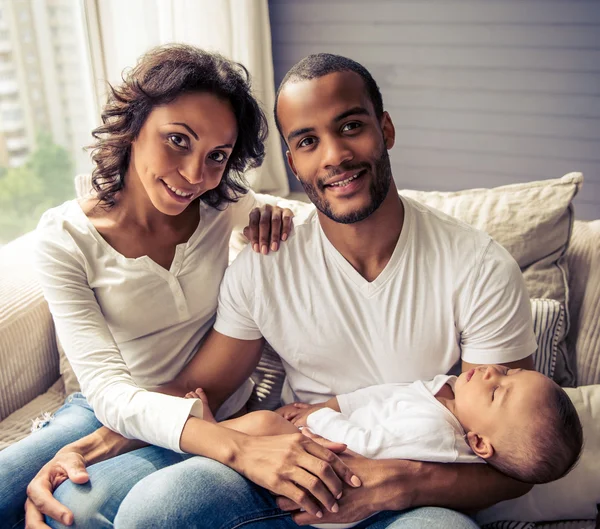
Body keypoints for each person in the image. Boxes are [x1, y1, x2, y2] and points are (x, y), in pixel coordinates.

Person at [25, 53, 546, 529]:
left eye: (352, 127)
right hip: (286, 464)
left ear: (385, 129)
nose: (335, 155)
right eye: (307, 141)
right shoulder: (266, 258)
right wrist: (90, 446)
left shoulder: (478, 266)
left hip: (410, 495)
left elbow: (519, 459)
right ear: (292, 163)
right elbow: (201, 390)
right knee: (156, 509)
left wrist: (401, 483)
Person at [0, 43, 300, 529]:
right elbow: (109, 394)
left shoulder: (224, 207)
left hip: (208, 405)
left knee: (79, 511)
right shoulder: (65, 238)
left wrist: (276, 216)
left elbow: (288, 219)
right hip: (107, 407)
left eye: (217, 155)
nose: (194, 175)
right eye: (178, 140)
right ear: (134, 125)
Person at [183, 363, 582, 528]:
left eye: (497, 393)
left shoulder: (437, 432)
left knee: (266, 422)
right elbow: (379, 398)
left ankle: (211, 431)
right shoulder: (444, 397)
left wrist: (317, 418)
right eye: (510, 371)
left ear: (478, 442)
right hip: (325, 448)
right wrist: (327, 406)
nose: (493, 371)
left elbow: (366, 446)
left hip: (332, 471)